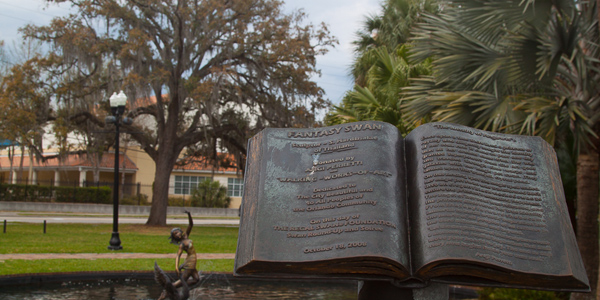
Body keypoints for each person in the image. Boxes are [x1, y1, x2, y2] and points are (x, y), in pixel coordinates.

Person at [158, 211, 199, 300]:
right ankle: (168, 290)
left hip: (192, 262)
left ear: (180, 231)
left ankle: (173, 289)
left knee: (196, 280)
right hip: (189, 264)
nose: (178, 234)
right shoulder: (182, 244)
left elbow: (191, 225)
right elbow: (178, 255)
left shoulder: (186, 236)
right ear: (175, 237)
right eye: (175, 234)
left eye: (177, 232)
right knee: (182, 281)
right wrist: (176, 267)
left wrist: (189, 214)